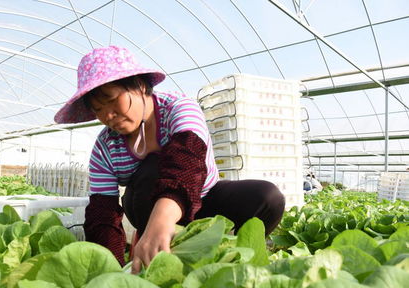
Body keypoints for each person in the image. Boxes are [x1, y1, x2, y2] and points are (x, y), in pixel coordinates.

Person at [54, 46, 285, 274]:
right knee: (152, 168)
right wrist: (110, 272)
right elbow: (102, 214)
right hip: (145, 205)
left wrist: (162, 221)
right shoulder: (105, 147)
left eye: (112, 100)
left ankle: (232, 263)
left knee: (266, 197)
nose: (107, 115)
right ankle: (153, 246)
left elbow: (187, 158)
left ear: (140, 85)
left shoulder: (178, 107)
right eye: (98, 110)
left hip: (202, 198)